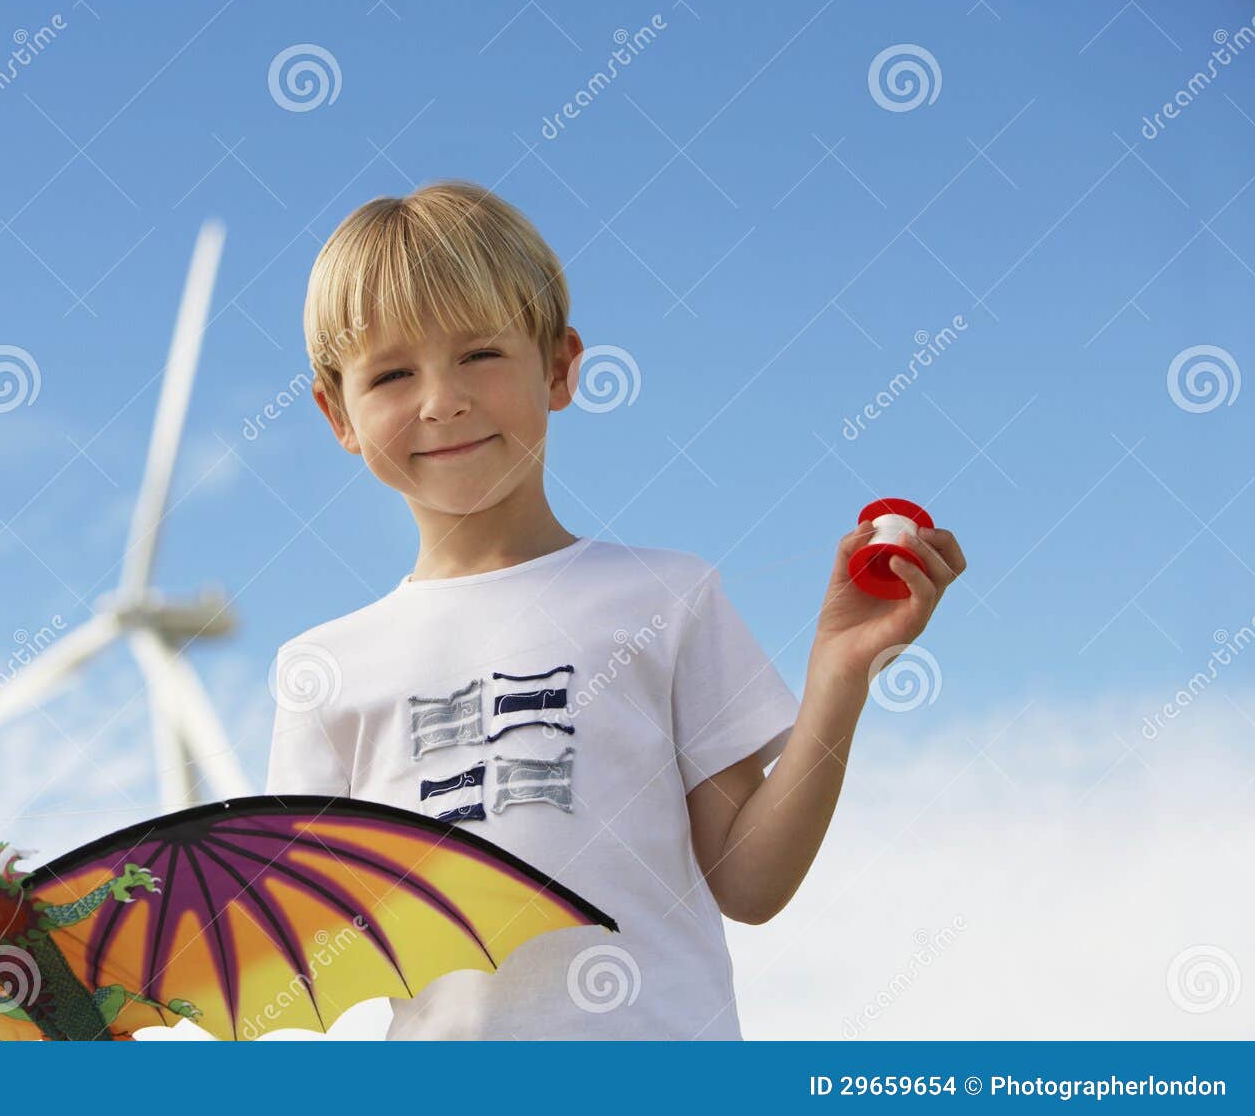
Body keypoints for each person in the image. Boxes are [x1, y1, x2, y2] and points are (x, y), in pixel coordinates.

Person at [264, 180, 967, 1039]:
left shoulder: (666, 598)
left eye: (480, 354)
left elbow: (751, 885)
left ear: (559, 367)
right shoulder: (324, 670)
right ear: (338, 412)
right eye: (392, 373)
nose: (441, 399)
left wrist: (839, 678)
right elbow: (295, 953)